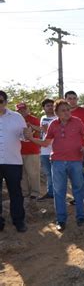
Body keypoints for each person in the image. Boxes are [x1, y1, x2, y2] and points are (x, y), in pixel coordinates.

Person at [25, 99, 84, 232]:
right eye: (63, 110)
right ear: (57, 113)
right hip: (58, 162)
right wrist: (31, 138)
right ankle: (61, 220)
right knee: (59, 192)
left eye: (68, 109)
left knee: (78, 189)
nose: (67, 113)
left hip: (76, 161)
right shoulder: (53, 124)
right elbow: (46, 143)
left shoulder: (77, 122)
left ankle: (81, 217)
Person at [0, 90, 27, 232]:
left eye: (0, 101)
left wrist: (27, 133)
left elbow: (24, 136)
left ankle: (18, 221)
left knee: (15, 193)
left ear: (5, 102)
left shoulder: (16, 117)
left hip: (13, 161)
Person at [65, 90, 84, 205]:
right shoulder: (62, 112)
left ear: (77, 99)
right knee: (72, 172)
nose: (72, 100)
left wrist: (81, 134)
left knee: (78, 171)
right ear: (66, 99)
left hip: (82, 147)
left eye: (74, 98)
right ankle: (78, 197)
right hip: (66, 147)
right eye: (70, 98)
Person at [16, 103, 41, 200]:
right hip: (18, 151)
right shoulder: (15, 120)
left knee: (33, 173)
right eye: (19, 110)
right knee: (22, 174)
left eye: (24, 109)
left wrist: (31, 125)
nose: (22, 111)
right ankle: (24, 192)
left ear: (27, 109)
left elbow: (41, 130)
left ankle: (35, 192)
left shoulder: (34, 119)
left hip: (32, 151)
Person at [38, 98, 56, 201]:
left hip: (55, 150)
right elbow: (42, 133)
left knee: (56, 173)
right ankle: (50, 193)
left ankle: (57, 192)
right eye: (47, 106)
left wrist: (47, 130)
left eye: (51, 105)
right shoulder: (43, 118)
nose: (50, 107)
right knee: (48, 173)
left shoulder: (58, 118)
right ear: (44, 108)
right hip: (44, 150)